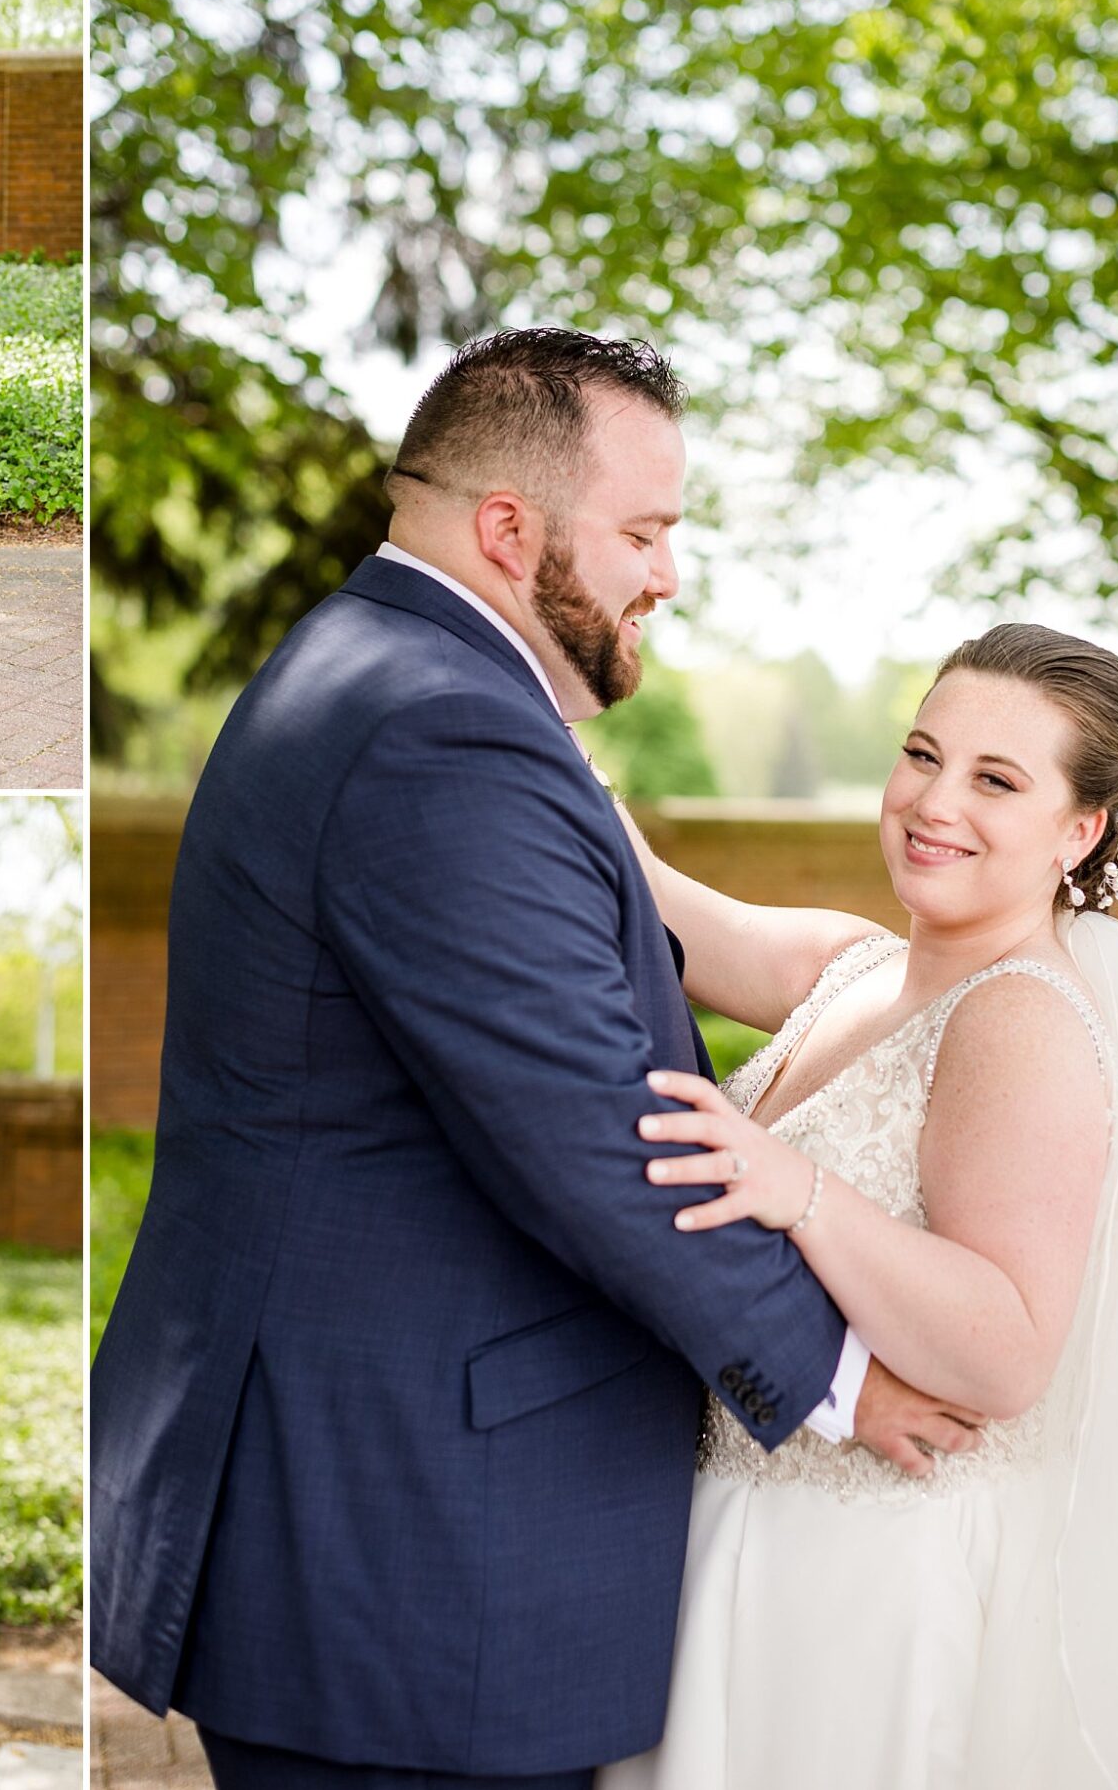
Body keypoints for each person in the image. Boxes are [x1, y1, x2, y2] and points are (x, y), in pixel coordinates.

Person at [90, 328, 979, 1789]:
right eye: (644, 531)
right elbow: (597, 1131)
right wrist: (838, 1374)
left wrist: (950, 975)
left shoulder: (398, 676)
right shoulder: (441, 728)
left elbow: (683, 950)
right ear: (509, 528)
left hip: (368, 1512)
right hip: (406, 1543)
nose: (668, 573)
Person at [597, 624, 1118, 1789]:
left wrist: (800, 1192)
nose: (934, 802)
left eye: (994, 780)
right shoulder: (852, 964)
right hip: (739, 1533)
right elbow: (651, 898)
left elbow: (1006, 1348)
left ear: (1077, 832)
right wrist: (527, 712)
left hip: (853, 1581)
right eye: (921, 755)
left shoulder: (1020, 1022)